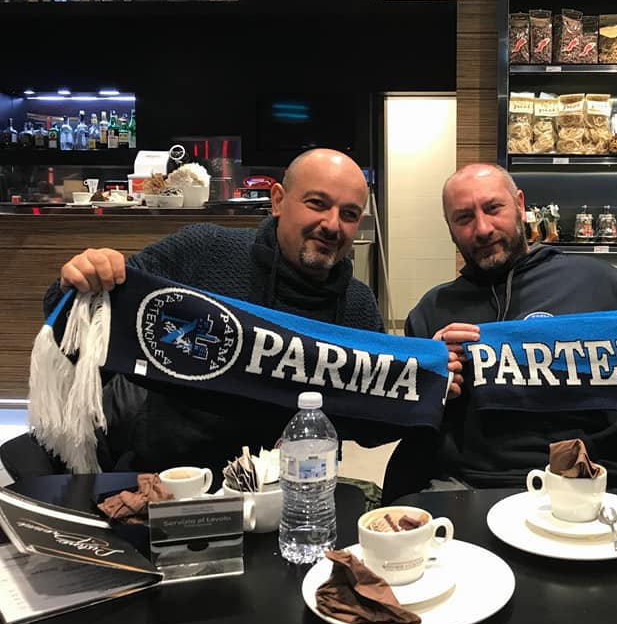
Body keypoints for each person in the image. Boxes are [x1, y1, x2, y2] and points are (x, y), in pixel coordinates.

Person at [11, 148, 398, 477]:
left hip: (292, 494)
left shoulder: (358, 306)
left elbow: (374, 424)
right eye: (317, 204)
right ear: (278, 200)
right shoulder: (203, 252)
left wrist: (418, 389)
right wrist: (82, 280)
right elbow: (81, 323)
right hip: (171, 482)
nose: (332, 225)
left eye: (349, 214)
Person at [399, 163, 617, 494]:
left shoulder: (595, 281)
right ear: (449, 228)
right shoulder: (433, 310)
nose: (482, 229)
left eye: (493, 208)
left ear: (520, 205)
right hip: (472, 486)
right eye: (464, 218)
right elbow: (405, 420)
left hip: (596, 482)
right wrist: (429, 380)